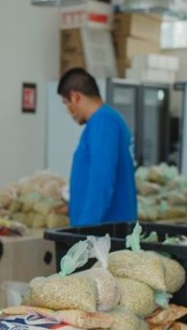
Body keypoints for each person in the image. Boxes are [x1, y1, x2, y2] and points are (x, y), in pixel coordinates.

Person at [58, 67, 138, 226]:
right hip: (106, 230)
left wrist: (83, 231)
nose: (69, 111)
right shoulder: (106, 120)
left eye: (66, 103)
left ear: (75, 96)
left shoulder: (103, 122)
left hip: (104, 234)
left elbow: (101, 182)